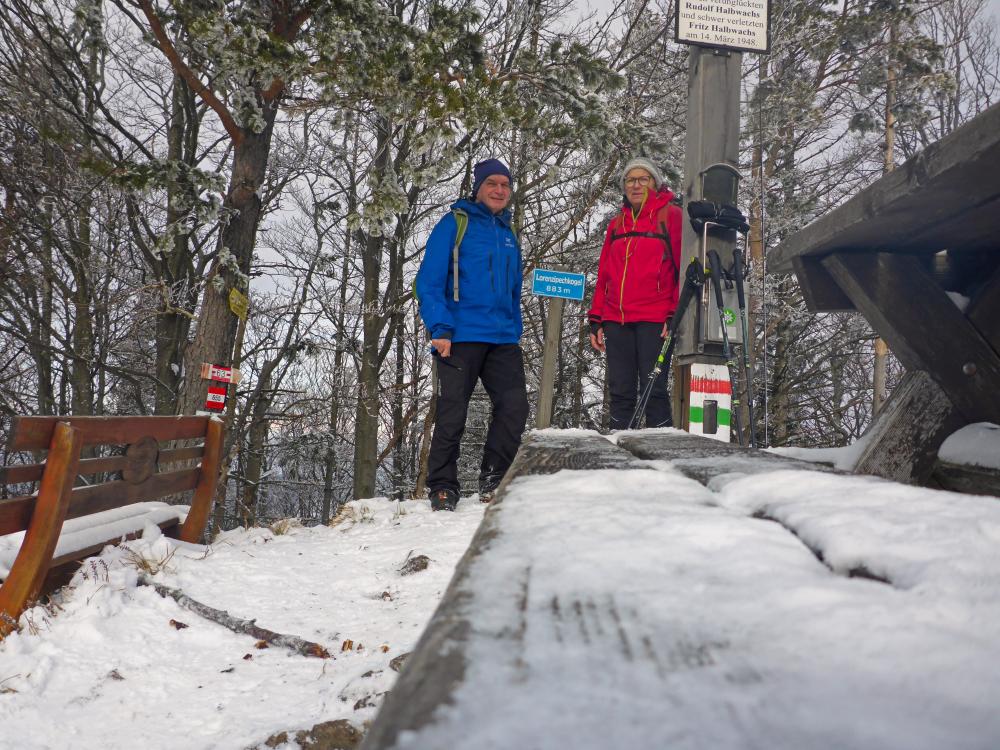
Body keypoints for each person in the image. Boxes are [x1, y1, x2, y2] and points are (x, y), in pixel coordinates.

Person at [415, 159, 529, 511]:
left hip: (502, 339)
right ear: (478, 187)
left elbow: (512, 290)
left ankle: (494, 479)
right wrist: (440, 327)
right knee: (453, 413)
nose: (499, 190)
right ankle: (442, 486)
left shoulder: (508, 234)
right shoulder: (454, 224)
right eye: (492, 183)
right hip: (459, 335)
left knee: (514, 407)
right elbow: (428, 281)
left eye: (505, 185)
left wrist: (515, 328)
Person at [587, 157, 683, 430]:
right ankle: (621, 449)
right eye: (630, 180)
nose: (636, 185)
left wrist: (673, 313)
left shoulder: (671, 216)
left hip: (655, 318)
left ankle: (659, 454)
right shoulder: (617, 225)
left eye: (644, 179)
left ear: (655, 183)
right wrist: (596, 318)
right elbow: (604, 273)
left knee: (654, 389)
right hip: (616, 320)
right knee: (620, 391)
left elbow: (682, 270)